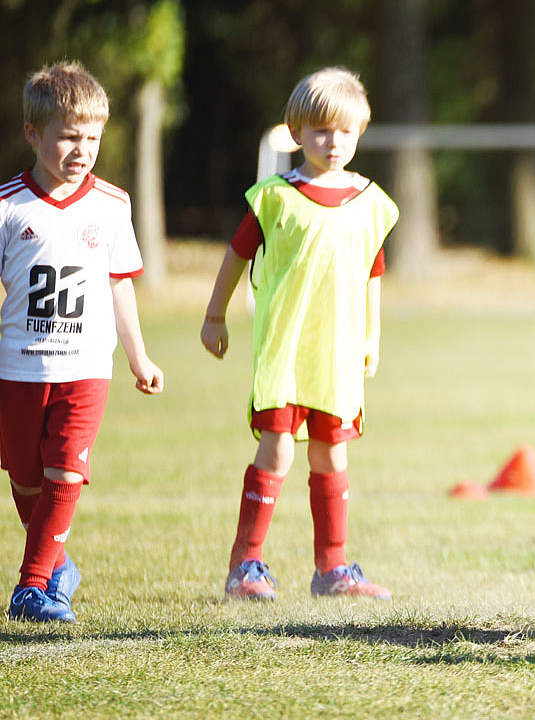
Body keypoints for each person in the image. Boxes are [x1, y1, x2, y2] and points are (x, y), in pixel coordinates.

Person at [200, 67, 397, 602]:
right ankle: (246, 565)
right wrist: (214, 315)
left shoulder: (370, 202)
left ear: (360, 133)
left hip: (337, 352)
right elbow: (236, 255)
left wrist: (371, 337)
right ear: (296, 134)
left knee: (333, 455)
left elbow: (372, 273)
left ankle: (333, 569)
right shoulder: (275, 197)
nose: (333, 143)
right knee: (278, 451)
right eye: (320, 132)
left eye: (345, 132)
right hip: (286, 350)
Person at [2, 61, 164, 623]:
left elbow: (120, 285)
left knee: (66, 469)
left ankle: (32, 587)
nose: (83, 148)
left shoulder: (113, 205)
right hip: (18, 368)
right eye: (69, 135)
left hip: (88, 365)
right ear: (33, 133)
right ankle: (57, 565)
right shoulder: (7, 206)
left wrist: (139, 356)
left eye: (93, 137)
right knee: (24, 475)